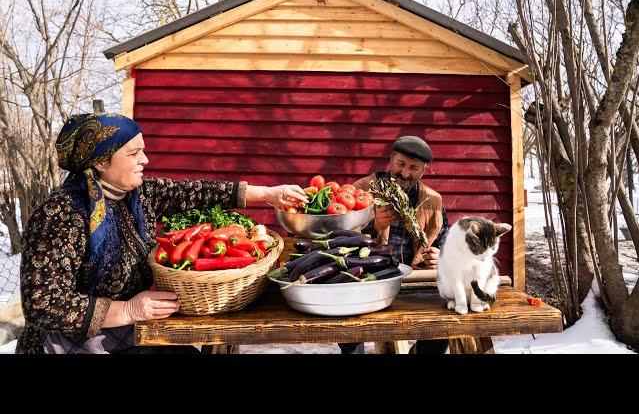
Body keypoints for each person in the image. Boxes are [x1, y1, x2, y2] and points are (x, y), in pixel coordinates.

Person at [17, 113, 308, 354]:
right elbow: (42, 303)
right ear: (100, 162)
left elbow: (197, 193)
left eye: (143, 149)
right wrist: (129, 310)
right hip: (73, 343)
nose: (145, 160)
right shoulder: (59, 215)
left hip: (134, 331)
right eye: (133, 153)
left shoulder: (137, 194)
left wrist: (269, 193)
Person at [338, 135, 450, 355]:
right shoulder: (361, 190)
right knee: (346, 320)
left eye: (414, 168)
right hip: (367, 280)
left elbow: (445, 235)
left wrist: (442, 255)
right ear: (390, 160)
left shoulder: (432, 200)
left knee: (443, 324)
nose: (405, 173)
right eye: (400, 164)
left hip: (414, 282)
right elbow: (340, 237)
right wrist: (373, 225)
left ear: (423, 171)